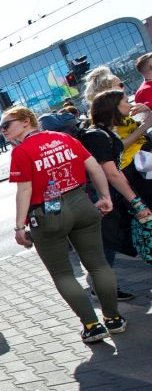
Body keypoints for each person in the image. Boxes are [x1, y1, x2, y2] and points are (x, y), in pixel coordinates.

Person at [0, 105, 126, 342]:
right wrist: (104, 196)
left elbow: (24, 190)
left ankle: (92, 325)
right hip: (80, 201)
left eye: (7, 125)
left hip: (48, 212)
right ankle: (113, 319)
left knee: (63, 274)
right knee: (98, 265)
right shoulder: (63, 138)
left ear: (27, 121)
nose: (3, 131)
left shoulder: (22, 152)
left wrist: (19, 226)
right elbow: (94, 168)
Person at [79, 90, 152, 285]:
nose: (129, 106)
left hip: (116, 198)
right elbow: (111, 173)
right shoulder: (97, 136)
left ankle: (103, 286)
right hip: (109, 201)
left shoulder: (106, 132)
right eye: (125, 103)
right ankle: (101, 288)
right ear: (113, 109)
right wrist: (137, 203)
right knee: (108, 246)